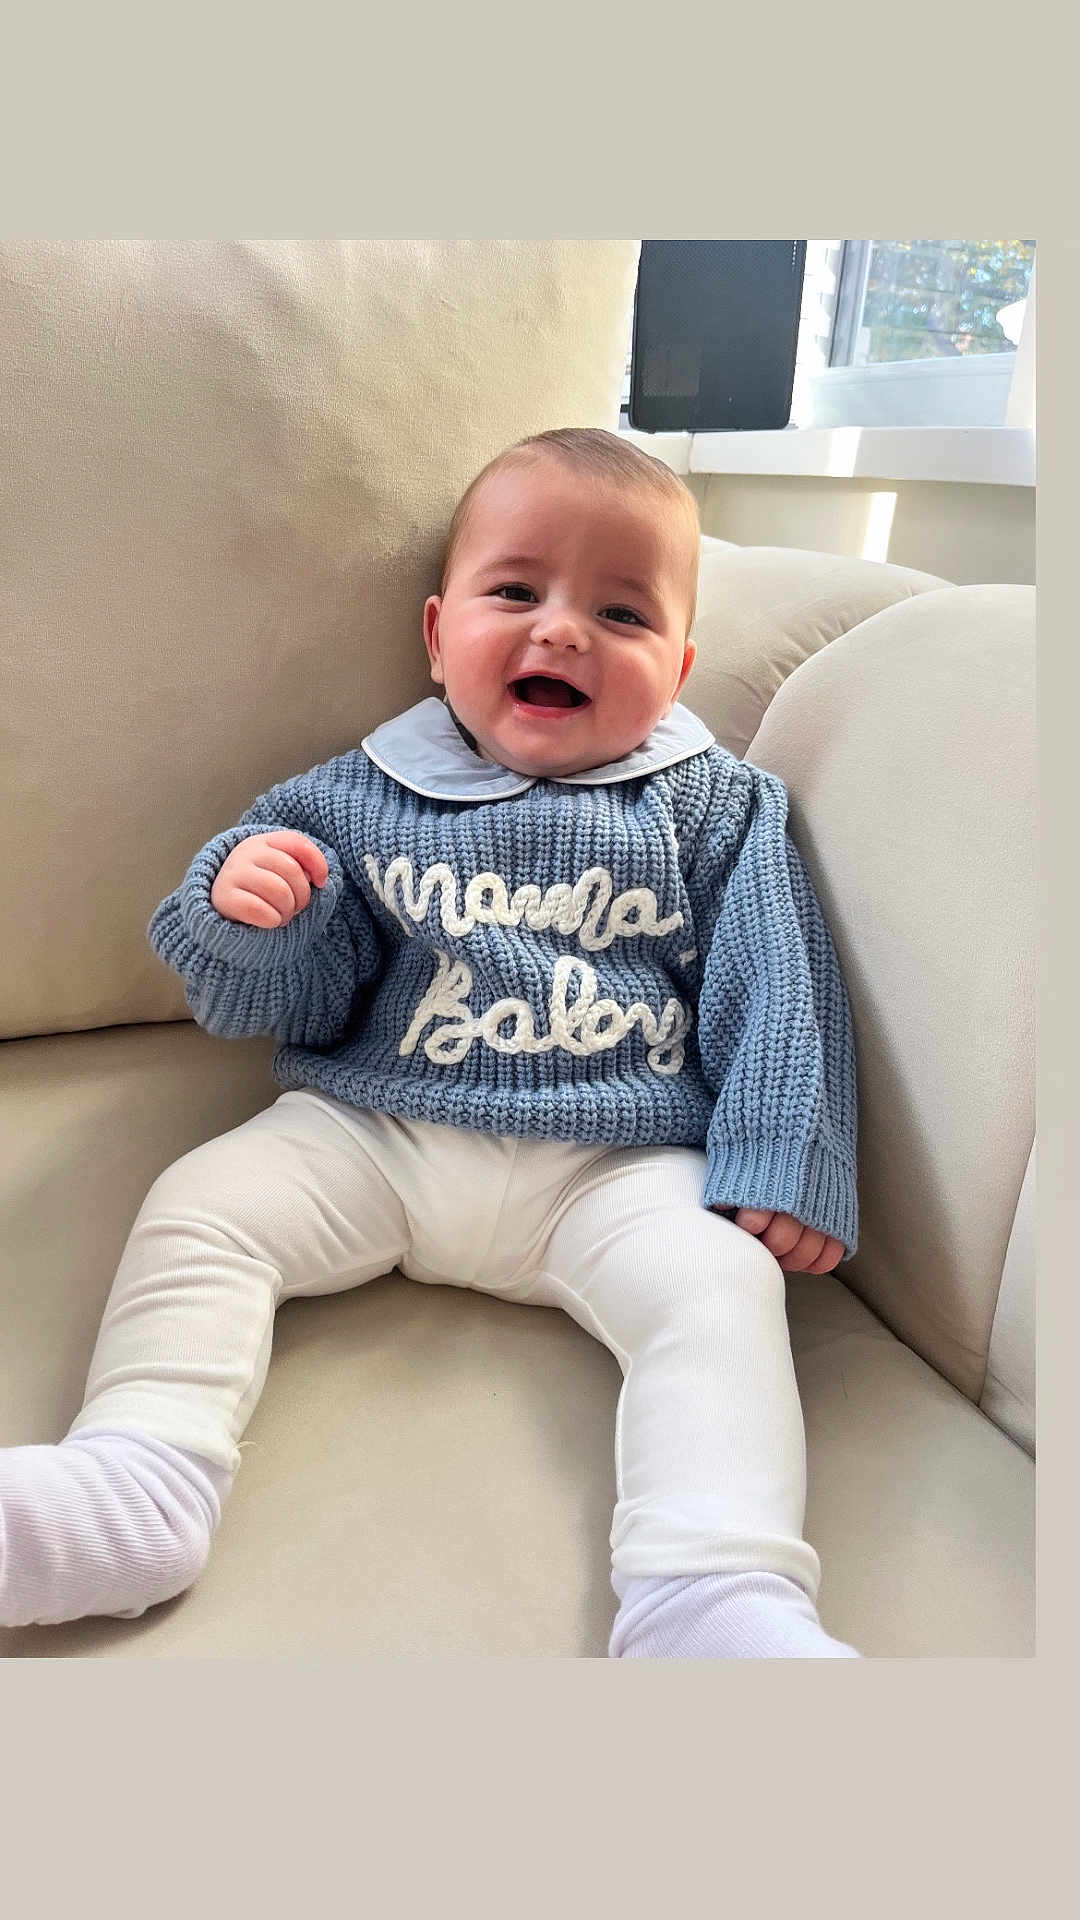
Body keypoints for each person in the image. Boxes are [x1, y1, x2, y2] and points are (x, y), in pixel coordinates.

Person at [0, 427, 860, 1657]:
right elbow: (272, 995)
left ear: (676, 669)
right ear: (436, 630)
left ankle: (711, 1591)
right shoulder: (346, 798)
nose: (561, 630)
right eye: (516, 592)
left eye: (619, 613)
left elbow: (780, 985)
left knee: (719, 1291)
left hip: (617, 1167)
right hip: (375, 1129)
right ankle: (136, 1480)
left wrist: (787, 1163)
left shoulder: (719, 807)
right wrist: (249, 910)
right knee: (205, 1205)